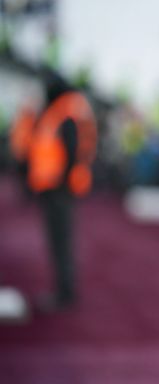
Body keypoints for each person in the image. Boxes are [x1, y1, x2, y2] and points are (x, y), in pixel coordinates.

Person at [13, 67, 97, 309]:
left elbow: (71, 151)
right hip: (55, 187)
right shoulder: (60, 110)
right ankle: (63, 291)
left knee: (60, 241)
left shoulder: (65, 111)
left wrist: (61, 182)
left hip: (59, 189)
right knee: (58, 240)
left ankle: (65, 294)